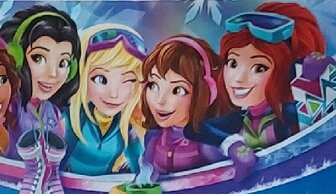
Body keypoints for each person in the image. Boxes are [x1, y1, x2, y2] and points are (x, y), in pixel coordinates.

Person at [204, 3, 327, 153]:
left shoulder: (289, 114)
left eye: (259, 68)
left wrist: (311, 73)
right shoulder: (240, 119)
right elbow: (195, 129)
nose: (238, 78)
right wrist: (230, 144)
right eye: (233, 63)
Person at [0, 5, 81, 194]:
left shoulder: (54, 114)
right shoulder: (2, 105)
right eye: (38, 58)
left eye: (63, 62)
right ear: (15, 56)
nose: (53, 74)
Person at [135, 36, 226, 182]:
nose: (160, 100)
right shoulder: (154, 138)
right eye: (153, 85)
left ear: (205, 93)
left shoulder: (205, 142)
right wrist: (145, 175)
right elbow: (147, 169)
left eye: (177, 90)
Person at [65, 24, 147, 175]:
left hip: (104, 188)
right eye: (101, 79)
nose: (114, 94)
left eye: (128, 80)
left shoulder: (125, 128)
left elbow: (141, 167)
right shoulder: (70, 119)